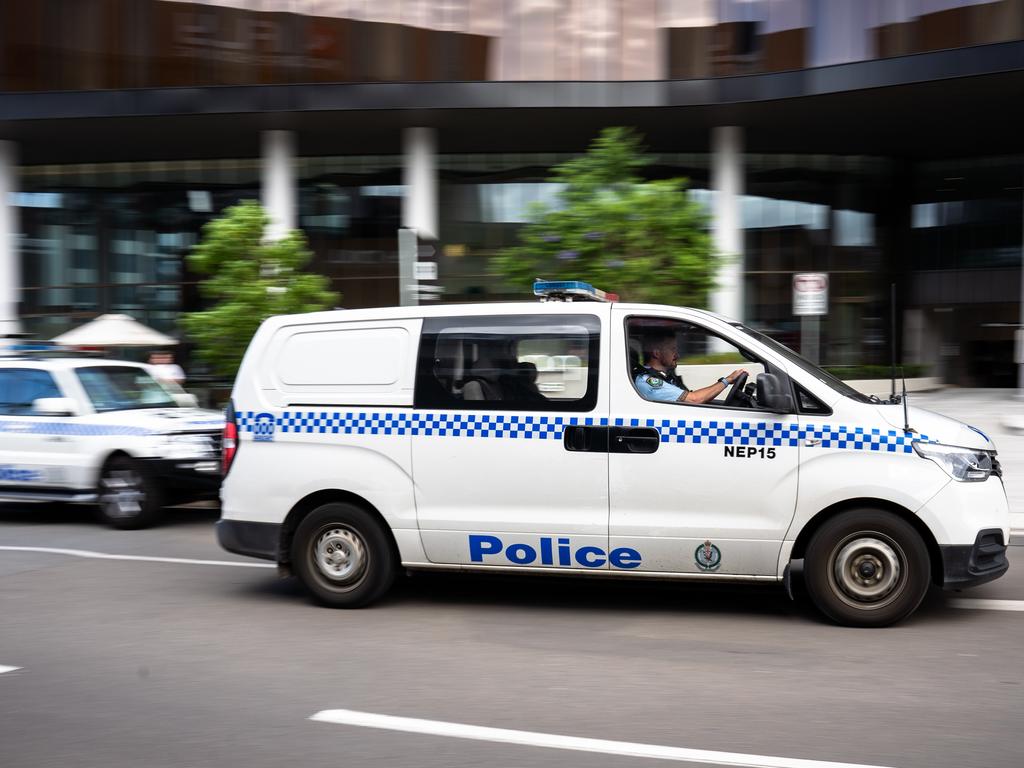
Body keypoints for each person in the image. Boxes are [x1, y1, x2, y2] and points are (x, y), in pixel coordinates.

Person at [634, 330, 747, 404]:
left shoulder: (666, 377)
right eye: (672, 349)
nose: (677, 355)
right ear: (656, 353)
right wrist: (727, 380)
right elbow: (694, 399)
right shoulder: (648, 382)